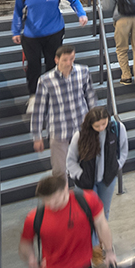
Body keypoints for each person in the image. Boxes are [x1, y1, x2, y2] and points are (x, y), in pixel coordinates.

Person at [12, 0, 89, 113]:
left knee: (52, 65)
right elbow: (18, 12)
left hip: (54, 32)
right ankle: (34, 96)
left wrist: (81, 14)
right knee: (33, 66)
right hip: (32, 35)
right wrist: (15, 31)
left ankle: (52, 95)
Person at [32, 44, 96, 180]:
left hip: (81, 129)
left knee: (86, 167)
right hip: (59, 131)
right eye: (65, 60)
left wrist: (95, 121)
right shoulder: (45, 80)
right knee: (60, 172)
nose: (69, 63)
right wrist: (37, 136)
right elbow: (39, 109)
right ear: (56, 60)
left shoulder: (83, 71)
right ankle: (63, 200)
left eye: (71, 59)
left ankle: (85, 198)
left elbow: (90, 97)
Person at [67, 106, 128, 219]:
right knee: (87, 215)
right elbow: (71, 160)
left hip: (107, 179)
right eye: (96, 126)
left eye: (103, 124)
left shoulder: (117, 129)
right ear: (90, 124)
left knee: (103, 214)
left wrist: (116, 166)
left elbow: (123, 150)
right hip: (85, 181)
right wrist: (80, 175)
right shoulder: (80, 136)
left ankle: (100, 237)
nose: (101, 128)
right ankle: (91, 237)